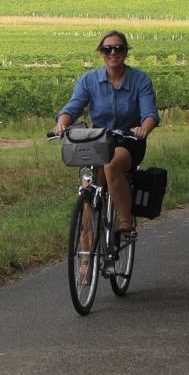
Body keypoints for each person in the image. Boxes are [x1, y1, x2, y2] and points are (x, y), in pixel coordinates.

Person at [53, 30, 159, 242]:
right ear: (100, 53)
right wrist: (61, 124)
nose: (112, 52)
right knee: (88, 183)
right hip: (100, 140)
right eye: (106, 49)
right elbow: (72, 108)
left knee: (111, 165)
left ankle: (126, 222)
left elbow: (150, 114)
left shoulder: (140, 80)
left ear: (125, 52)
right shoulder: (89, 80)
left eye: (118, 48)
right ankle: (86, 250)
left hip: (129, 141)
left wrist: (143, 129)